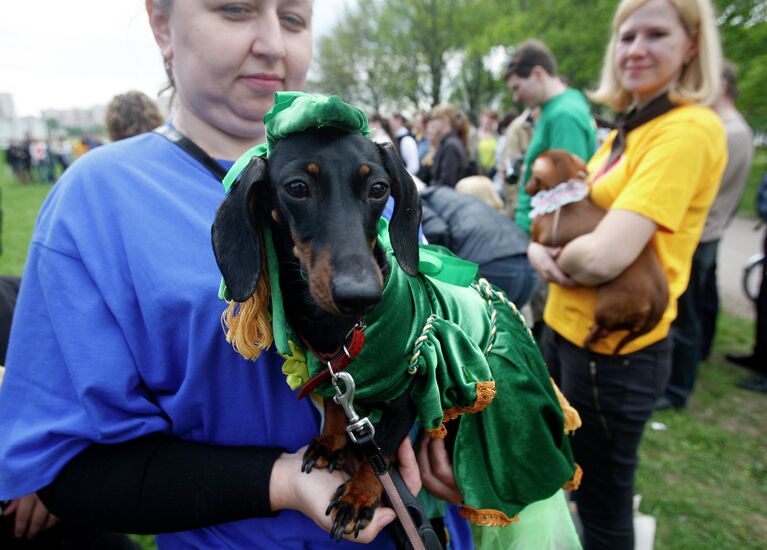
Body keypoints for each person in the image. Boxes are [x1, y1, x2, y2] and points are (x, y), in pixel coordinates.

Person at [0, 2, 421, 548]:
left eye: (293, 18)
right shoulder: (96, 202)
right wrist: (283, 482)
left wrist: (456, 440)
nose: (273, 42)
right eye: (235, 9)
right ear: (160, 22)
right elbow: (68, 470)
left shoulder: (364, 179)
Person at [527, 0, 726, 548]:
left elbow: (604, 256)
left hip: (613, 353)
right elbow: (567, 220)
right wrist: (538, 255)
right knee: (563, 475)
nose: (635, 49)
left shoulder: (686, 130)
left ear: (691, 45)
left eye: (655, 34)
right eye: (626, 36)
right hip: (564, 331)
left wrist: (548, 256)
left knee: (603, 503)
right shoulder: (626, 132)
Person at [661, 60, 755, 409]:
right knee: (701, 304)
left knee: (686, 316)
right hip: (713, 231)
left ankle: (677, 389)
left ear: (722, 85)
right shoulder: (739, 129)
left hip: (699, 234)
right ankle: (697, 358)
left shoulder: (724, 132)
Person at [504, 39, 597, 235]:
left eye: (517, 88)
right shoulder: (552, 110)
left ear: (538, 74)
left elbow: (568, 197)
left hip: (538, 240)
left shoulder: (564, 115)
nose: (516, 98)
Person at [420, 184, 537, 307]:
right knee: (507, 324)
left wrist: (441, 270)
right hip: (528, 265)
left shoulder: (417, 199)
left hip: (493, 264)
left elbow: (436, 230)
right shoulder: (449, 197)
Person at [424, 103, 470, 188]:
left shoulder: (450, 145)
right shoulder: (447, 143)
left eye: (435, 118)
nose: (432, 122)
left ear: (445, 119)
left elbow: (447, 183)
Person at [388, 112, 420, 176]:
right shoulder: (397, 138)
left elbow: (414, 167)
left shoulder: (407, 140)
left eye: (391, 120)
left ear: (399, 120)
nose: (390, 124)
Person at [474, 109, 498, 177]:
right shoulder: (474, 136)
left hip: (493, 173)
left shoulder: (497, 136)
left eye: (492, 119)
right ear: (481, 118)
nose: (489, 121)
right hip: (478, 172)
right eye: (487, 118)